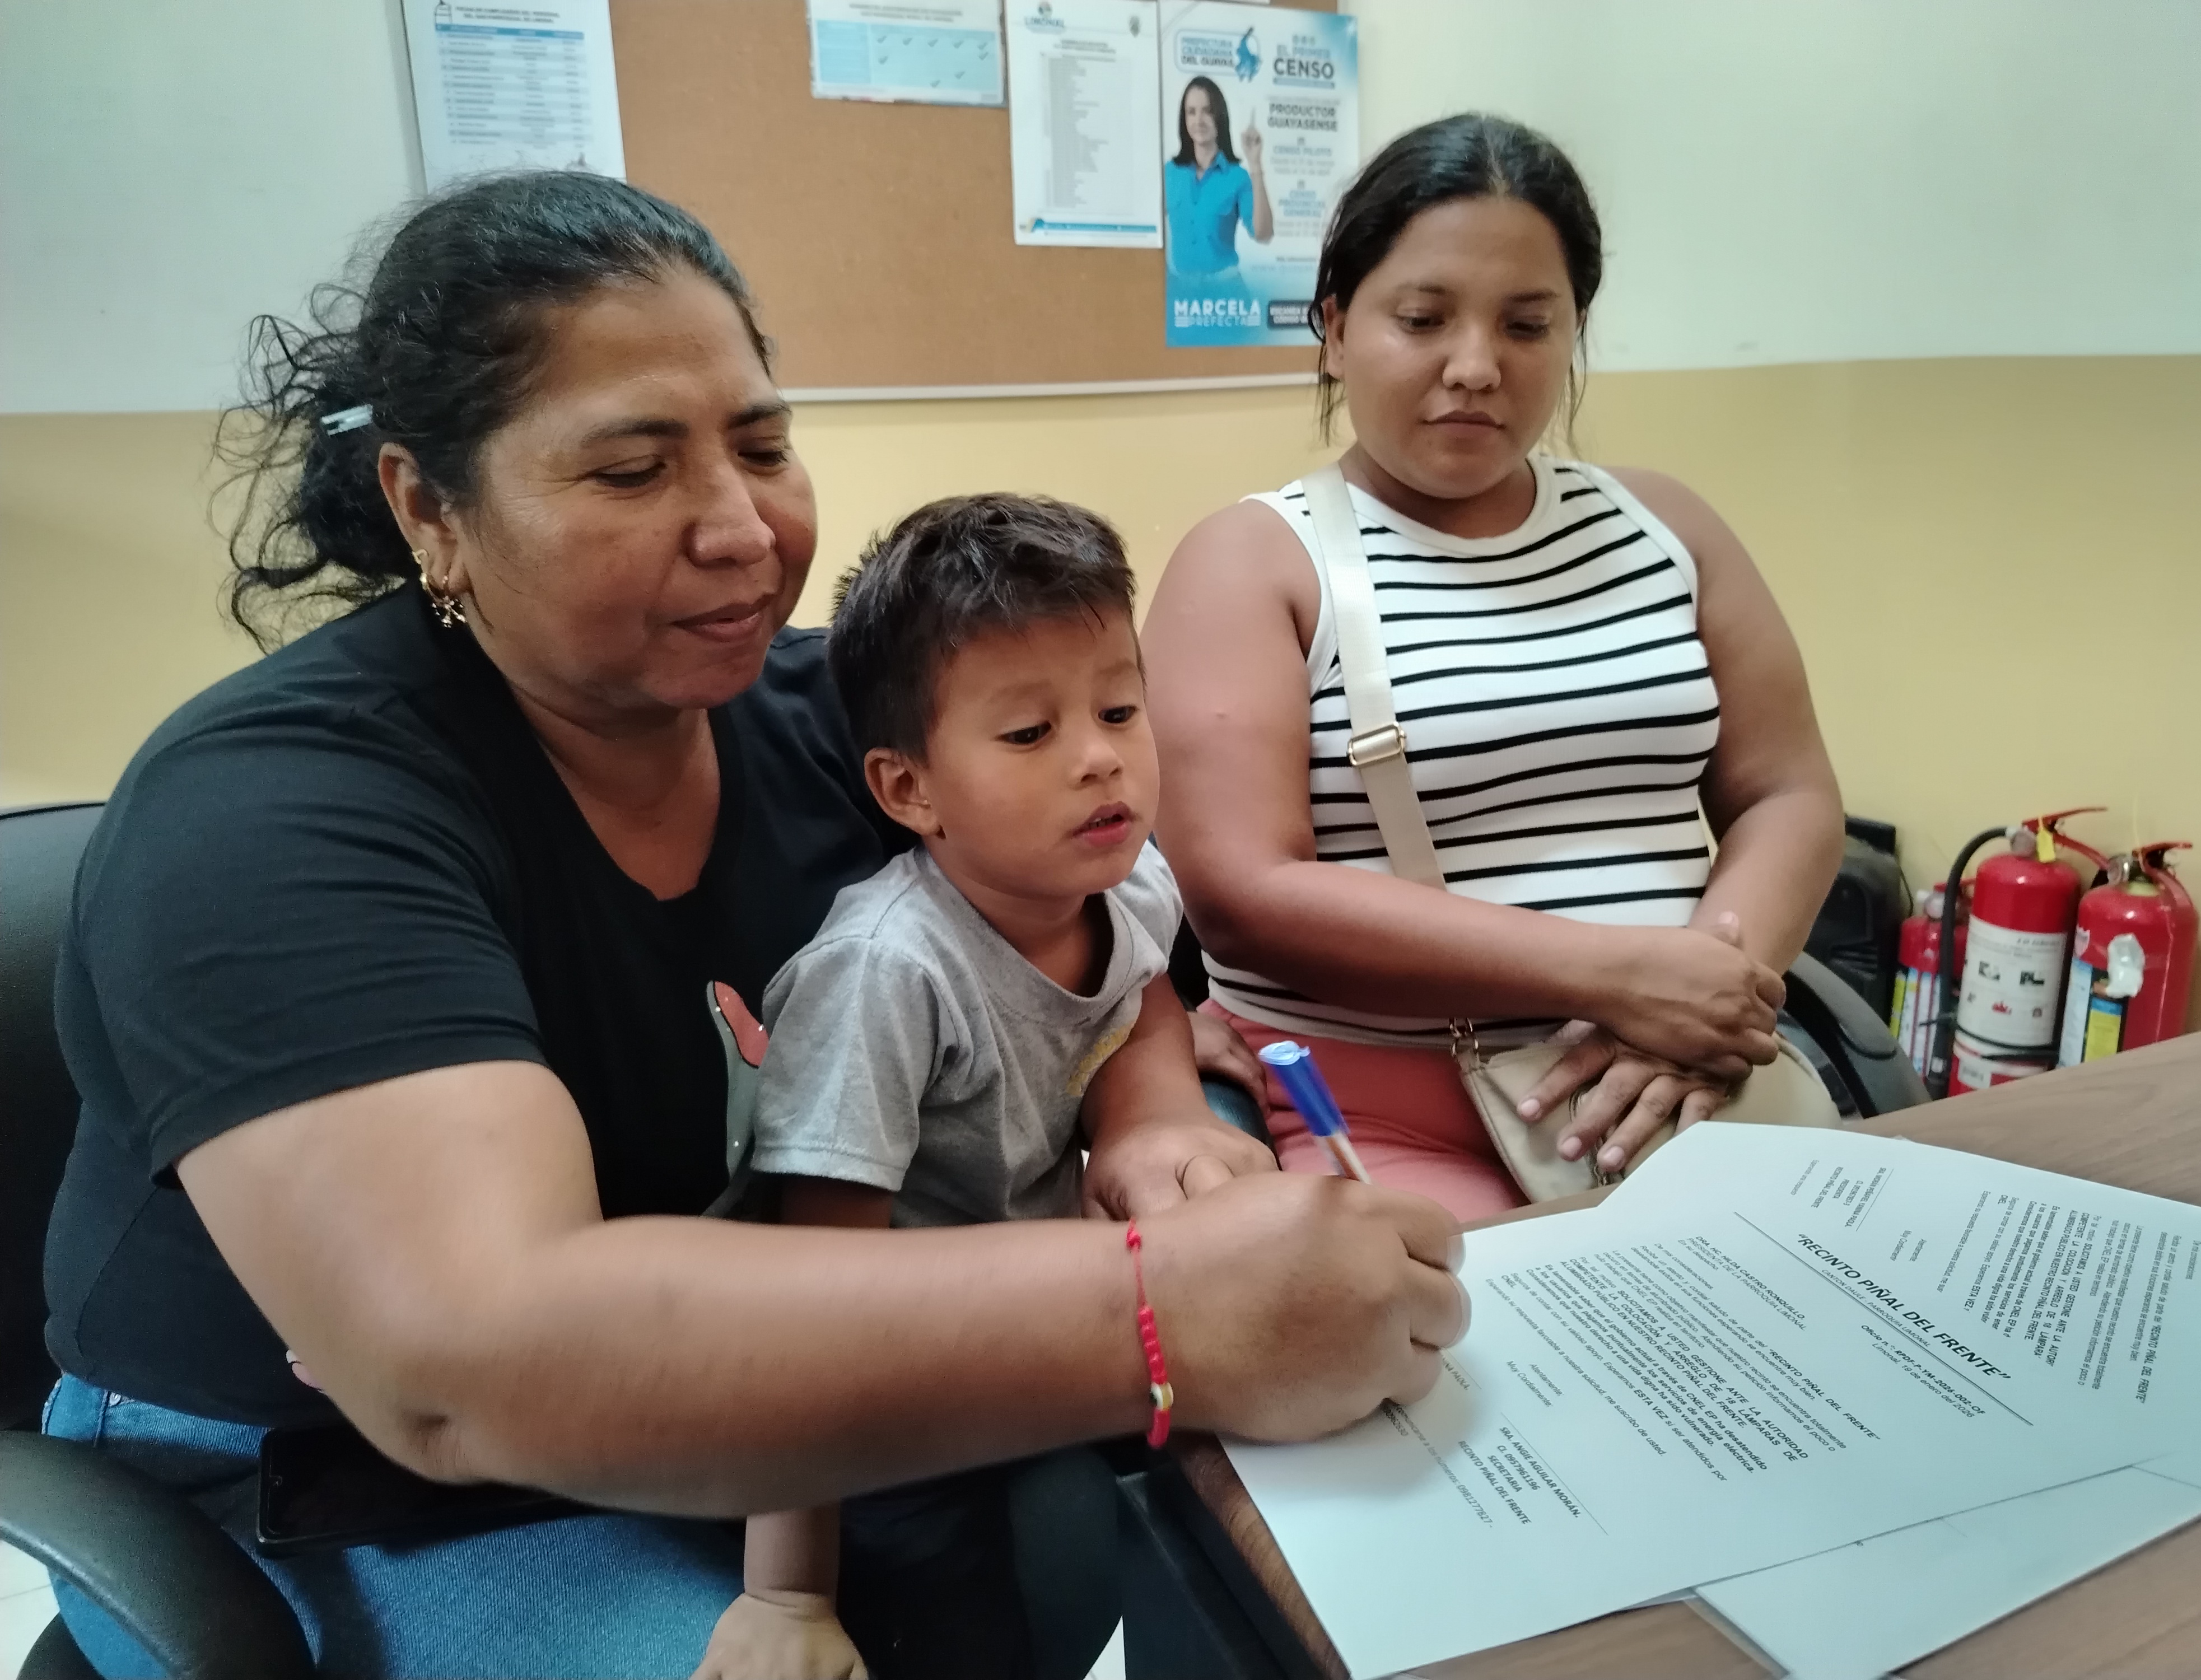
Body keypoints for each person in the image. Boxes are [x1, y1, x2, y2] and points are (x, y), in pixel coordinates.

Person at [38, 171, 1468, 1679]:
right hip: (356, 1484)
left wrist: (1148, 1109)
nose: (739, 527)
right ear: (428, 509)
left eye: (765, 447)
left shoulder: (836, 720)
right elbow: (473, 1362)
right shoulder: (279, 810)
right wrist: (1166, 1312)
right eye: (632, 470)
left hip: (746, 1376)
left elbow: (1095, 937)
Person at [1142, 115, 1845, 1224]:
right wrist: (1616, 976)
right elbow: (1244, 894)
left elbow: (1787, 793)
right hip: (1387, 1118)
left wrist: (1698, 996)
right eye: (1422, 319)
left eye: (1527, 324)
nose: (1475, 368)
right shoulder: (1253, 562)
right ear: (1335, 327)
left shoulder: (1665, 526)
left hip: (1687, 1083)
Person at [700, 494, 1186, 1679]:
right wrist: (787, 1596)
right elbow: (812, 1304)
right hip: (889, 1395)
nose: (1099, 756)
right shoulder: (886, 975)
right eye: (1028, 732)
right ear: (910, 789)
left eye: (1120, 709)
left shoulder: (1126, 880)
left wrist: (1169, 1107)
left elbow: (1148, 994)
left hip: (1040, 1331)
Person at [1163, 75, 1273, 286]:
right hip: (1180, 293)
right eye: (1191, 112)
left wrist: (1255, 164)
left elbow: (1264, 234)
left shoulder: (1237, 177)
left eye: (1208, 111)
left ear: (1220, 117)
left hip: (1226, 291)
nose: (1199, 121)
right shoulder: (1170, 173)